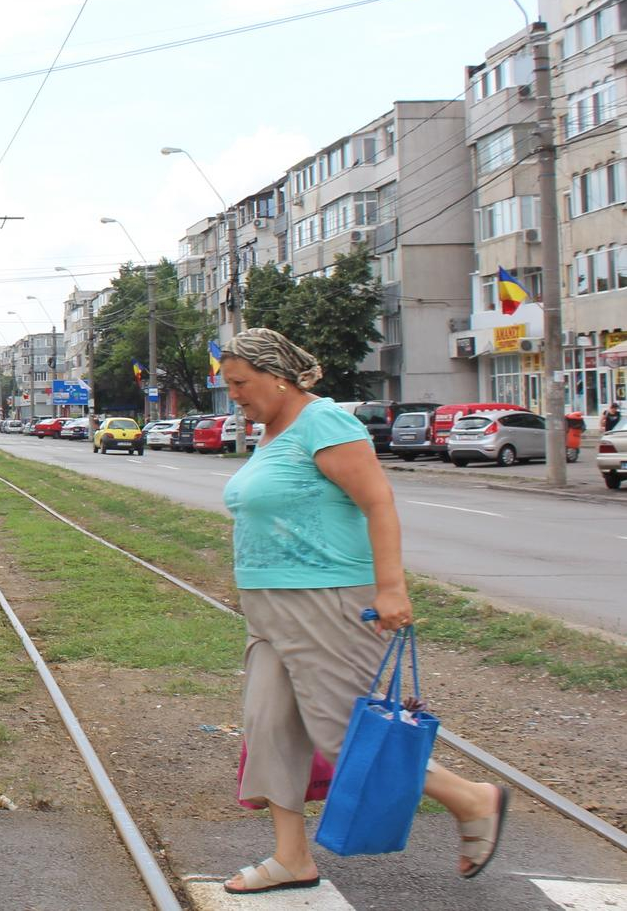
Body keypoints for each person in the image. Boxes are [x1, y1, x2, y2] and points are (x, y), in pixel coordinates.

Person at [217, 328, 506, 895]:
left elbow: (378, 503)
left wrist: (392, 588)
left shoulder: (324, 423)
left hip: (327, 599)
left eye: (241, 383)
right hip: (268, 604)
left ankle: (473, 799)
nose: (235, 395)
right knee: (269, 728)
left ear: (278, 376)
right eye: (229, 385)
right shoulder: (272, 433)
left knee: (341, 734)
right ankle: (291, 857)